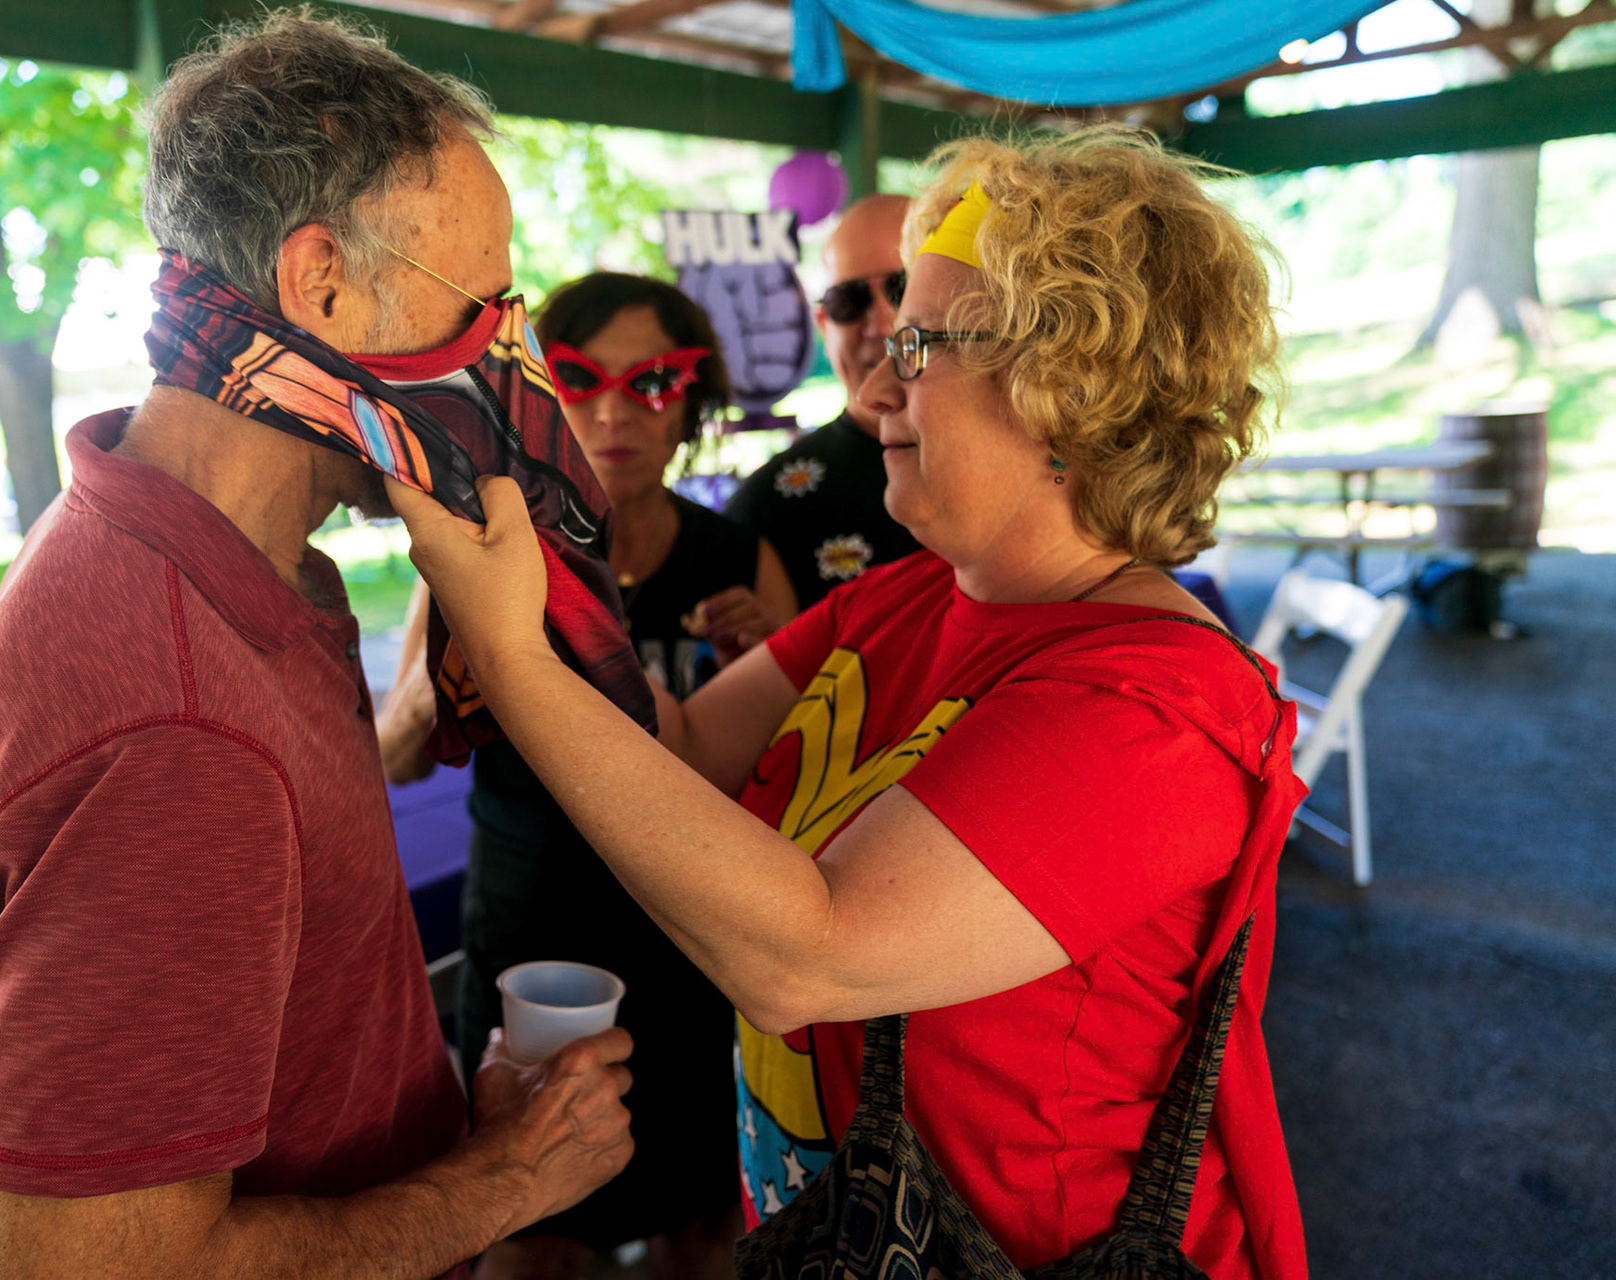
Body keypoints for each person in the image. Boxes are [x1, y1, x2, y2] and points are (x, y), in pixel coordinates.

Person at [389, 126, 1310, 1279]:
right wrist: (548, 512)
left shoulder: (1151, 707)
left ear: (1069, 389)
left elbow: (805, 956)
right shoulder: (909, 595)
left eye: (920, 344)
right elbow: (677, 745)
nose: (875, 386)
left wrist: (518, 660)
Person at [0, 13, 635, 1277]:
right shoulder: (174, 726)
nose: (504, 359)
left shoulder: (193, 556)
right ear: (321, 285)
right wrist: (507, 1177)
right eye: (482, 303)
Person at [378, 273, 797, 1280]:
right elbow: (393, 753)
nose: (614, 409)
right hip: (537, 940)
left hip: (694, 941)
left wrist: (772, 656)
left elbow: (803, 773)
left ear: (691, 404)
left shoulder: (737, 557)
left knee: (704, 1226)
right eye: (580, 376)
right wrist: (465, 658)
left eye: (652, 382)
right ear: (542, 396)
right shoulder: (491, 553)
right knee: (528, 1229)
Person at [724, 195, 921, 608]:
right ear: (823, 324)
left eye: (904, 287)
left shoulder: (1031, 461)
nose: (883, 323)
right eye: (848, 301)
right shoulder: (766, 509)